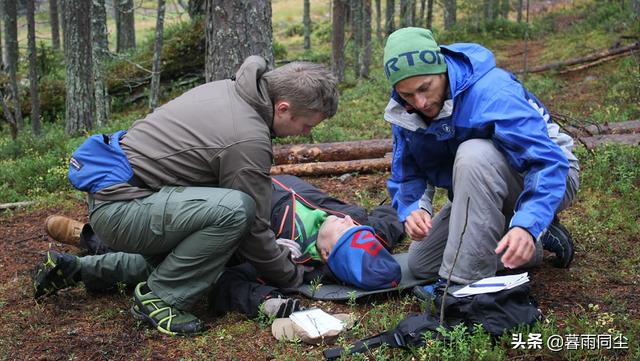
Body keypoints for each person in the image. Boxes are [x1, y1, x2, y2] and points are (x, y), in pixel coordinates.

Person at [49, 56, 339, 336]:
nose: (306, 133)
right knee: (236, 211)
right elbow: (253, 226)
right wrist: (291, 276)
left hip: (124, 197)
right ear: (284, 108)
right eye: (307, 125)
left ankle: (82, 270)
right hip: (123, 209)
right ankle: (162, 300)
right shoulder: (247, 137)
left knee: (193, 259)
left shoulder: (230, 89)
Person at [34, 175, 404, 322]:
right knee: (147, 229)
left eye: (342, 234)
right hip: (211, 193)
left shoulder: (293, 260)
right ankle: (89, 237)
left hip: (209, 238)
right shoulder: (355, 219)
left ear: (326, 256)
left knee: (144, 264)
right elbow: (386, 222)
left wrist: (266, 303)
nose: (348, 225)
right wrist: (410, 212)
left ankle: (80, 249)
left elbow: (232, 283)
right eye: (357, 229)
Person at [381, 28, 580, 286]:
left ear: (442, 69)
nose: (419, 102)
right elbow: (407, 172)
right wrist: (413, 208)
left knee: (473, 153)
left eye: (425, 88)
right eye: (407, 94)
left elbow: (546, 162)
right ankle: (530, 240)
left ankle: (465, 287)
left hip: (553, 175)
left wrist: (528, 222)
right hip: (483, 186)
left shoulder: (491, 92)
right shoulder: (406, 110)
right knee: (422, 263)